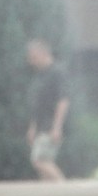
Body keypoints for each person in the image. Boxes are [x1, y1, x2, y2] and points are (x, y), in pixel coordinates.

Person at [26, 39, 70, 181]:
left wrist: (57, 127)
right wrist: (33, 127)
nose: (31, 62)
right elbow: (38, 104)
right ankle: (51, 193)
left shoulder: (57, 72)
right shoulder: (40, 75)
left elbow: (63, 101)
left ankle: (66, 189)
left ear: (44, 53)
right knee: (44, 172)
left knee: (40, 161)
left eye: (34, 57)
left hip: (50, 126)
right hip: (40, 127)